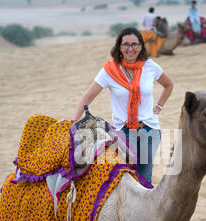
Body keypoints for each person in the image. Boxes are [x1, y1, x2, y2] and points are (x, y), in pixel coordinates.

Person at [73, 27, 173, 183]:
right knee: (128, 178)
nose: (130, 49)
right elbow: (88, 96)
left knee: (145, 177)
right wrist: (73, 121)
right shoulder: (109, 70)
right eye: (126, 44)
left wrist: (159, 107)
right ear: (119, 47)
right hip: (123, 131)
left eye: (135, 44)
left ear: (141, 46)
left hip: (150, 129)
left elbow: (168, 85)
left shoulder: (150, 66)